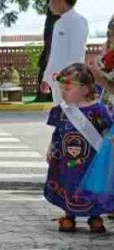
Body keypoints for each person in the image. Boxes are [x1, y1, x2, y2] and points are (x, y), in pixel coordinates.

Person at [44, 63, 113, 233]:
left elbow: (107, 132)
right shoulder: (60, 111)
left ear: (85, 89)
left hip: (92, 160)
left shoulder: (97, 111)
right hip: (65, 160)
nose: (63, 92)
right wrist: (51, 149)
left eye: (68, 88)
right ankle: (69, 215)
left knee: (91, 185)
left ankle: (95, 216)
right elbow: (57, 132)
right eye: (61, 88)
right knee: (67, 184)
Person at [41, 0, 88, 105]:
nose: (49, 4)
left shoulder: (78, 22)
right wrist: (46, 77)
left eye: (51, 0)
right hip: (57, 80)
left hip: (69, 82)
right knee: (61, 117)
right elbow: (55, 54)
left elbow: (76, 55)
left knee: (72, 118)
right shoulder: (58, 23)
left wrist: (70, 81)